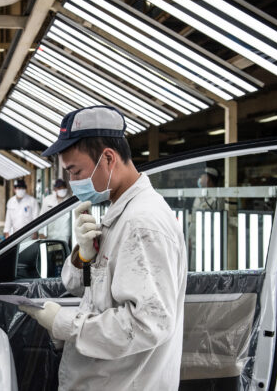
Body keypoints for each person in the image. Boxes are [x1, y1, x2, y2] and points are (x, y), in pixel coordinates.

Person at [19, 106, 187, 390]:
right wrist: (83, 257)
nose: (73, 184)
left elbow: (147, 324)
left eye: (77, 172)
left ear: (108, 158)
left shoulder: (141, 223)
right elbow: (81, 289)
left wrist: (65, 323)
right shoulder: (118, 213)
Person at [40, 179, 72, 245]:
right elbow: (41, 218)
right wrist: (41, 233)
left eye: (64, 187)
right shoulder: (48, 200)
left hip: (65, 237)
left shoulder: (71, 200)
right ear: (55, 189)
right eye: (59, 188)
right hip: (51, 236)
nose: (62, 189)